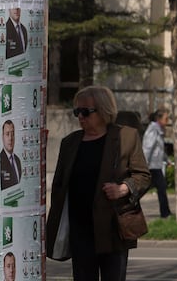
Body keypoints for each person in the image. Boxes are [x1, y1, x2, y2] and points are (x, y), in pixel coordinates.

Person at [46, 86, 151, 281]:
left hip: (113, 229)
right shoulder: (70, 142)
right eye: (77, 111)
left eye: (85, 111)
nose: (80, 116)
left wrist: (123, 188)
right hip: (80, 231)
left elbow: (143, 175)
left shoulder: (126, 137)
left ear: (104, 110)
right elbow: (59, 185)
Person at [142, 109, 172, 218]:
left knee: (156, 188)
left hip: (155, 165)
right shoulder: (153, 130)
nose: (167, 121)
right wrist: (144, 165)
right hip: (151, 166)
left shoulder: (158, 130)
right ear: (159, 119)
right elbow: (147, 148)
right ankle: (165, 213)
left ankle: (166, 212)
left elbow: (160, 149)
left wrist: (167, 160)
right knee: (160, 188)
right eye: (166, 118)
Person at [0, 119, 22, 190]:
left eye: (12, 134)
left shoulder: (17, 160)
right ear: (2, 137)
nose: (10, 138)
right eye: (7, 134)